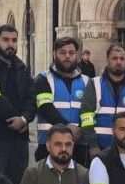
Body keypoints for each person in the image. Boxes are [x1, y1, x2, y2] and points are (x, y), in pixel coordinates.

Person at [0, 24, 36, 184]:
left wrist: (24, 119)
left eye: (14, 40)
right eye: (5, 40)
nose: (10, 44)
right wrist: (15, 118)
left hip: (20, 138)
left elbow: (31, 98)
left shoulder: (22, 68)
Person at [80, 43, 125, 158]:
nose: (119, 62)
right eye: (114, 58)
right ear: (107, 60)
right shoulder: (94, 84)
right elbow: (86, 115)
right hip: (99, 149)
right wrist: (92, 144)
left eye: (122, 58)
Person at [33, 37, 90, 165]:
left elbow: (90, 110)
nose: (67, 56)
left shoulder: (87, 81)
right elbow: (45, 107)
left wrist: (81, 128)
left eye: (71, 53)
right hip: (49, 144)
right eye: (62, 53)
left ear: (77, 54)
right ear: (54, 54)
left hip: (79, 145)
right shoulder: (43, 79)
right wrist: (67, 126)